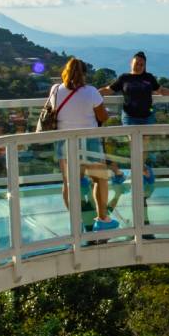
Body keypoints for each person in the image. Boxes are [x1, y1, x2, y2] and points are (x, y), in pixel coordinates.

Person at [48, 57, 117, 230]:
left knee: (69, 183)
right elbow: (103, 117)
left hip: (65, 142)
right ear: (84, 74)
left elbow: (52, 112)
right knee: (99, 180)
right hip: (90, 142)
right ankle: (102, 219)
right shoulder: (92, 92)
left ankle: (75, 222)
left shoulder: (56, 90)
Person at [105, 51, 161, 127]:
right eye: (136, 63)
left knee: (145, 138)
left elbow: (161, 90)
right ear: (131, 63)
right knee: (132, 138)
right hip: (129, 117)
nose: (138, 66)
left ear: (144, 66)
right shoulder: (124, 78)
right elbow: (108, 90)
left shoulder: (149, 77)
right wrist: (92, 93)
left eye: (141, 65)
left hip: (148, 116)